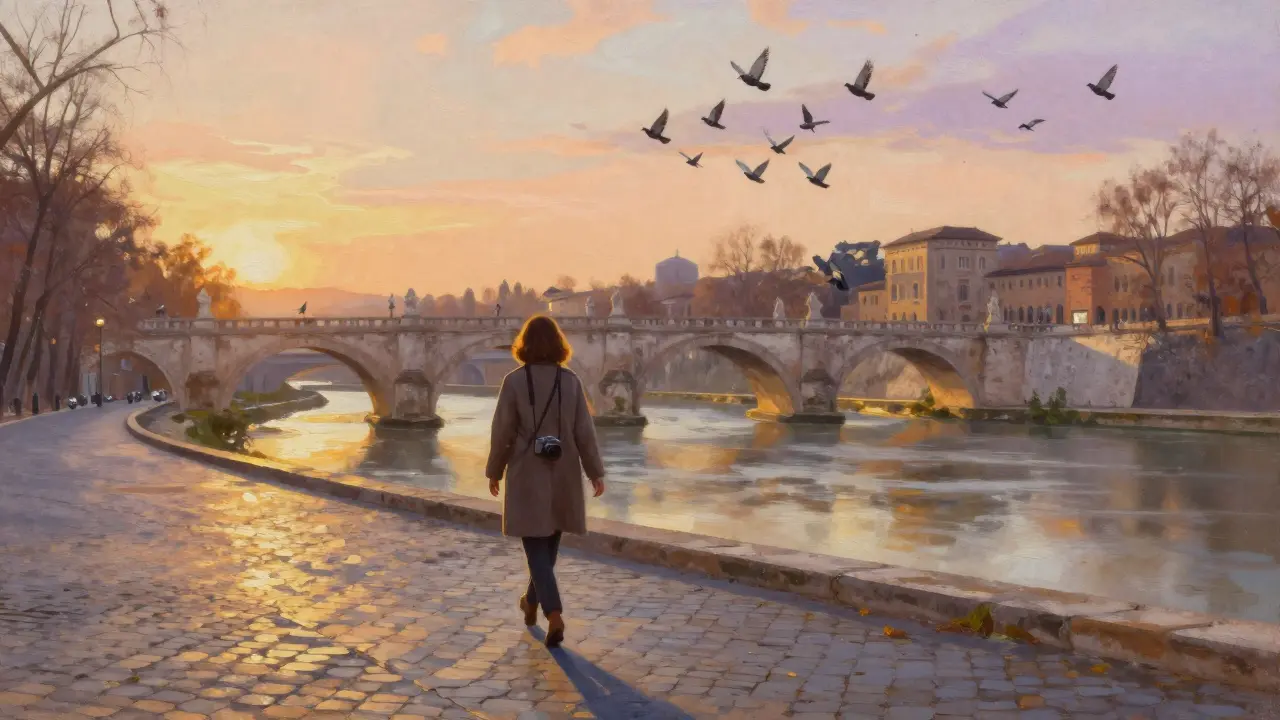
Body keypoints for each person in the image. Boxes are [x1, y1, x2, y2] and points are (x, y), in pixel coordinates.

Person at [485, 315, 605, 648]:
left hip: (526, 473)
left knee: (536, 547)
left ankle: (553, 614)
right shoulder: (571, 382)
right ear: (558, 344)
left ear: (523, 345)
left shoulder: (513, 382)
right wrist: (595, 471)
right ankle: (530, 602)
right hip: (563, 471)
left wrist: (494, 470)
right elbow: (585, 432)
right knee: (548, 544)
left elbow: (502, 433)